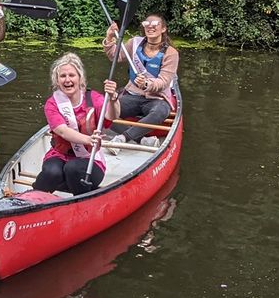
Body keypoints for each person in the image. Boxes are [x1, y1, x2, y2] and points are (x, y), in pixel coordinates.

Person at [32, 53, 120, 195]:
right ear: (57, 81)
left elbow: (112, 116)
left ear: (80, 78)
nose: (67, 80)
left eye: (72, 75)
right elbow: (62, 131)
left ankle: (81, 198)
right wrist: (88, 139)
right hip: (60, 154)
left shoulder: (93, 98)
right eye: (63, 76)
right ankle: (32, 198)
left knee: (73, 169)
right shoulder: (52, 103)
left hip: (89, 158)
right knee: (51, 172)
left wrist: (113, 99)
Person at [105, 13, 179, 145]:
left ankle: (123, 138)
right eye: (146, 24)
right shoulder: (134, 43)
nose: (150, 27)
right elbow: (115, 56)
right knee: (104, 109)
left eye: (155, 24)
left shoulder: (171, 53)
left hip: (157, 98)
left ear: (163, 28)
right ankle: (141, 139)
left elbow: (163, 82)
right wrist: (109, 38)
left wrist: (146, 84)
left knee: (161, 111)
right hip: (132, 95)